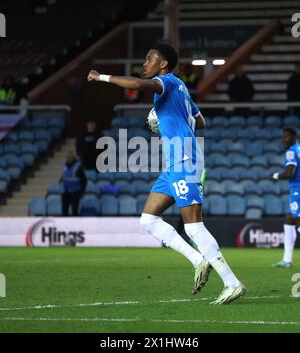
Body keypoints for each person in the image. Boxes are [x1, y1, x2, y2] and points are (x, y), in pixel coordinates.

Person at [87, 43, 245, 305]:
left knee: (194, 226)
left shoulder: (167, 82)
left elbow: (138, 85)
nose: (145, 63)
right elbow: (201, 121)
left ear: (163, 64)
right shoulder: (181, 88)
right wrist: (169, 122)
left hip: (185, 159)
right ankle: (198, 259)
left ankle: (232, 283)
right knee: (148, 220)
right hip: (174, 163)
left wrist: (101, 77)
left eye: (150, 59)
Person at [269, 127, 300, 268]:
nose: (283, 139)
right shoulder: (298, 149)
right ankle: (287, 260)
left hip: (297, 191)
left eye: (286, 137)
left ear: (294, 137)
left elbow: (290, 173)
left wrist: (275, 176)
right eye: (283, 137)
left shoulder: (292, 152)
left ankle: (287, 260)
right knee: (289, 221)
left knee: (298, 222)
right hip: (296, 190)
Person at [61, 151, 86, 217]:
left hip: (75, 192)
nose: (69, 158)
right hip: (67, 191)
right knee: (64, 210)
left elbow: (83, 180)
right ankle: (64, 224)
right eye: (68, 157)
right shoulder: (65, 166)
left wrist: (81, 192)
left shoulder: (78, 167)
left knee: (75, 210)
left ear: (73, 157)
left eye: (70, 157)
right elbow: (64, 177)